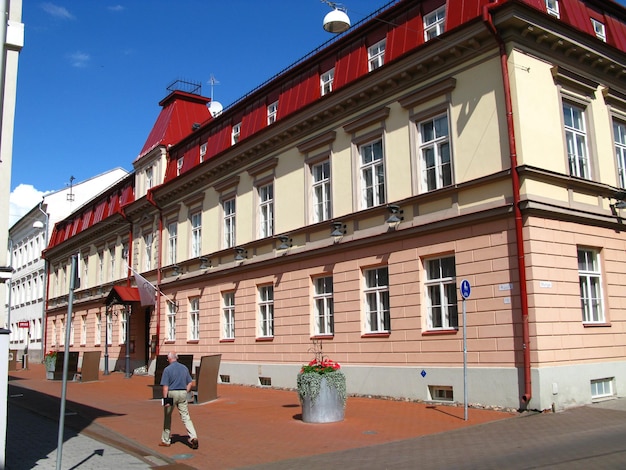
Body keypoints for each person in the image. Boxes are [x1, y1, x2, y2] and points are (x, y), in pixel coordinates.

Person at [159, 352, 199, 449]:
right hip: (182, 392)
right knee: (185, 416)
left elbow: (165, 386)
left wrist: (165, 399)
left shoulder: (167, 369)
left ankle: (166, 440)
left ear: (169, 359)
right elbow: (190, 382)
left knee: (168, 416)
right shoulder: (184, 368)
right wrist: (186, 391)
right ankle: (193, 436)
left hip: (172, 393)